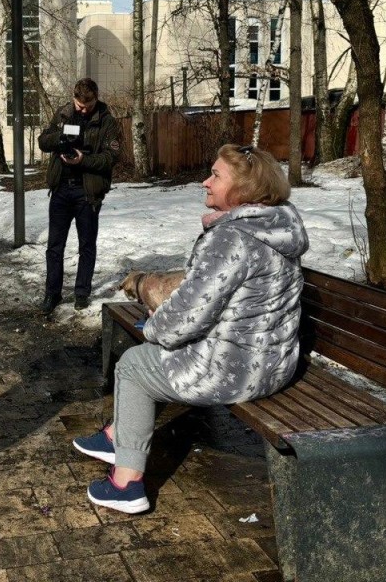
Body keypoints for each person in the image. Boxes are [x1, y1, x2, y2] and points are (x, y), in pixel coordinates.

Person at [72, 144, 309, 514]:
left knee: (135, 364)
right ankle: (117, 435)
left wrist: (154, 327)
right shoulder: (276, 227)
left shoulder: (233, 239)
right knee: (153, 354)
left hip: (234, 371)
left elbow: (185, 317)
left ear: (244, 190)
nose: (205, 182)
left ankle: (127, 484)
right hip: (274, 365)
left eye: (215, 176)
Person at [37, 78, 122, 314]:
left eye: (87, 106)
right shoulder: (64, 113)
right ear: (74, 98)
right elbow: (43, 141)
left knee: (87, 245)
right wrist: (60, 138)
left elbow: (110, 158)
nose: (82, 110)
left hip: (87, 192)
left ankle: (81, 293)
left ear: (96, 98)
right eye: (78, 104)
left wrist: (83, 160)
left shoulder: (107, 121)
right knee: (54, 245)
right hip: (61, 189)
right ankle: (52, 294)